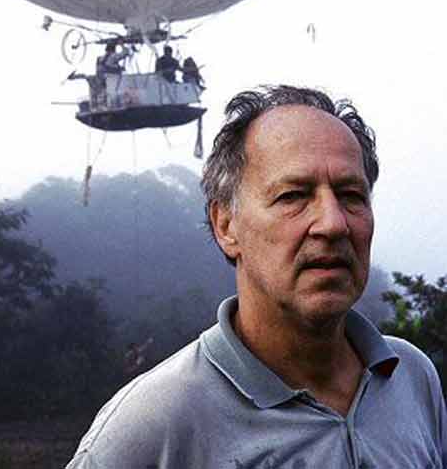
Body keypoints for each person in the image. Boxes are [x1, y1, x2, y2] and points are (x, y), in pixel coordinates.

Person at [65, 85, 447, 469]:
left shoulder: (410, 377)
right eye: (293, 196)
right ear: (225, 225)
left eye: (351, 195)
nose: (333, 223)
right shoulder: (153, 426)